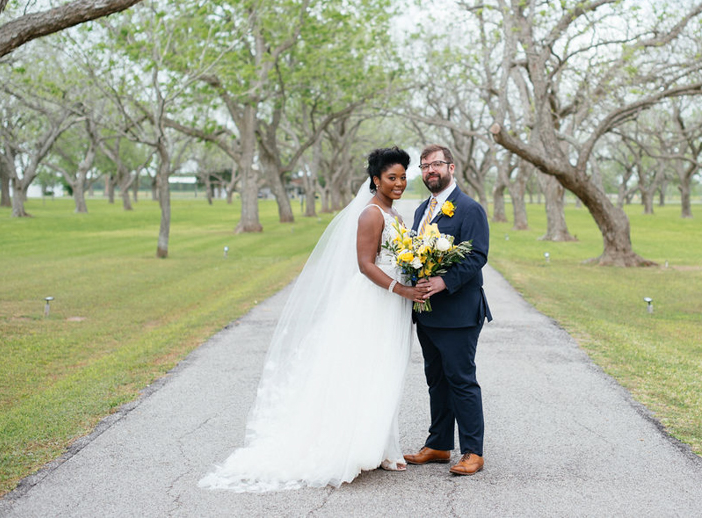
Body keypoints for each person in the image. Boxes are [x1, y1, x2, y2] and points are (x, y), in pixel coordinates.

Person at [199, 147, 424, 492]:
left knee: (385, 370)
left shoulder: (393, 213)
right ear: (376, 179)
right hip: (375, 303)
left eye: (402, 177)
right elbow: (365, 265)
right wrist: (402, 290)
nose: (398, 183)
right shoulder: (371, 214)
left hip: (392, 302)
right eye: (391, 177)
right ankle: (354, 447)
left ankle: (379, 445)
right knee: (366, 370)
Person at [406, 144, 492, 476]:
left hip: (458, 313)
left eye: (436, 164)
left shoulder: (469, 209)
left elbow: (477, 256)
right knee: (436, 380)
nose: (430, 170)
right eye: (425, 165)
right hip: (428, 314)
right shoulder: (421, 211)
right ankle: (439, 445)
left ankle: (473, 451)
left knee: (461, 380)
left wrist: (444, 282)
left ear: (451, 168)